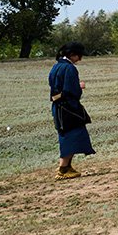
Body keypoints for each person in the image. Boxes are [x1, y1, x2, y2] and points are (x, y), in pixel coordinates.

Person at [49, 41, 94, 179]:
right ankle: (63, 169)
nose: (80, 59)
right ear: (72, 54)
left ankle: (67, 166)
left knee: (68, 135)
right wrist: (79, 87)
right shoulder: (69, 69)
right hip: (69, 108)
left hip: (58, 107)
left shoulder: (56, 67)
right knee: (72, 137)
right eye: (79, 56)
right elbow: (71, 90)